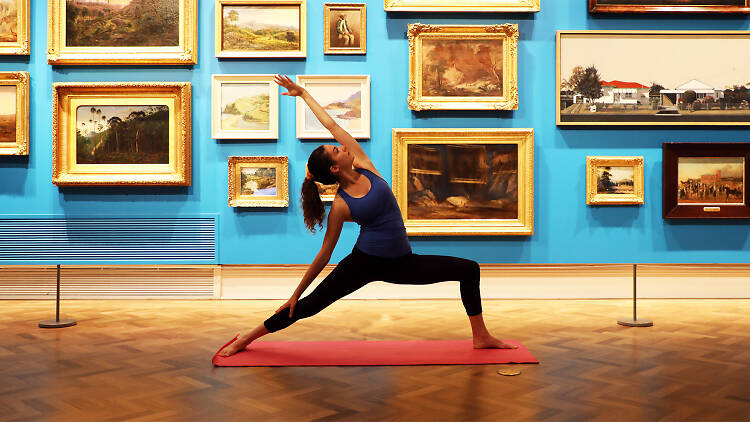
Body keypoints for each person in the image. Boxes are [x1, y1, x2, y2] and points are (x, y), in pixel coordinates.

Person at [218, 75, 517, 357]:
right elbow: (325, 253)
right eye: (336, 150)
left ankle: (481, 336)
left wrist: (303, 94)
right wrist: (295, 293)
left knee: (469, 269)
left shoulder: (364, 165)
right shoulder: (341, 205)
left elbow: (332, 125)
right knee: (309, 305)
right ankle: (247, 337)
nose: (342, 146)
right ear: (335, 168)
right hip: (363, 263)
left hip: (402, 262)